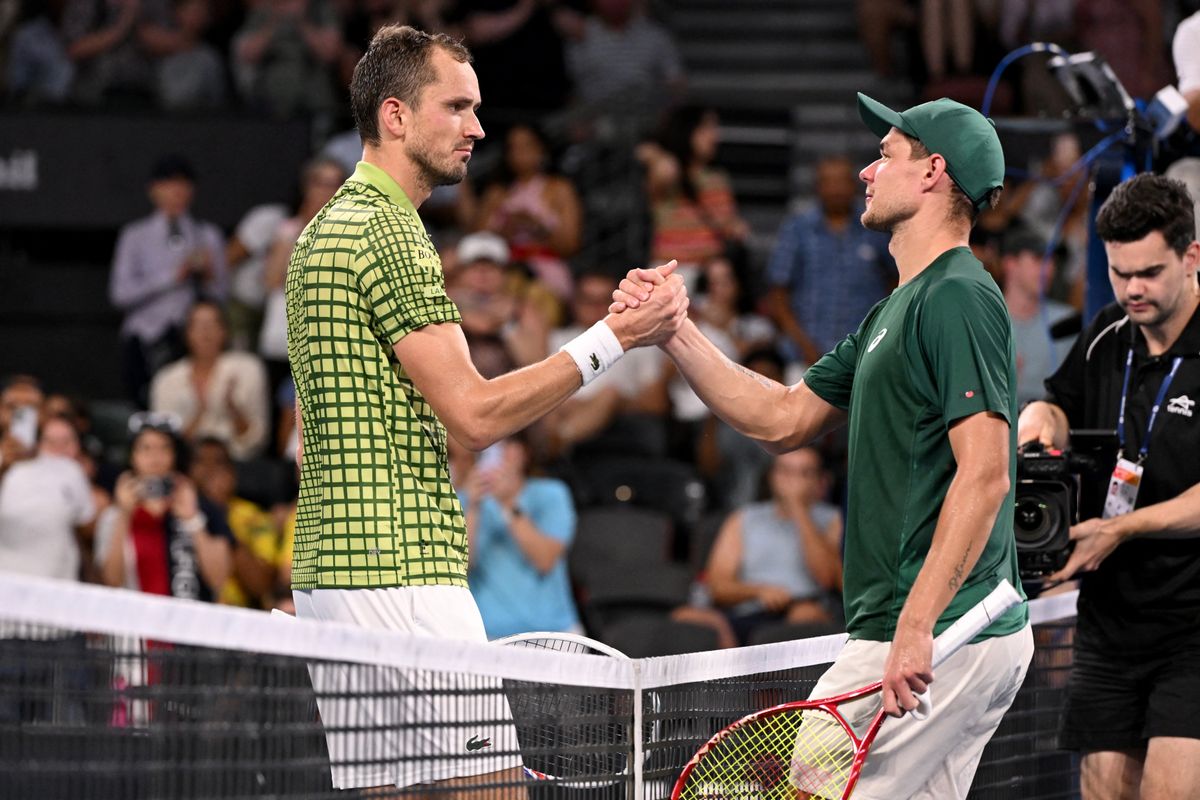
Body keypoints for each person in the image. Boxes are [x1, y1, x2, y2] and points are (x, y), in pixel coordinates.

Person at [285, 25, 687, 796]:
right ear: (396, 116)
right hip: (401, 569)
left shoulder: (323, 230)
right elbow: (474, 416)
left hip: (334, 573)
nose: (477, 128)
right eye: (458, 107)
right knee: (495, 790)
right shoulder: (390, 230)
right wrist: (613, 338)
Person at [613, 93, 1032, 799]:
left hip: (941, 631)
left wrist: (917, 627)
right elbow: (781, 419)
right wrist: (675, 330)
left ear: (932, 172)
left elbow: (985, 476)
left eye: (884, 155)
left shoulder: (958, 295)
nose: (867, 172)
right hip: (935, 633)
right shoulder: (895, 309)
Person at [1016, 173, 1200, 800]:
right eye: (1120, 273)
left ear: (1192, 256)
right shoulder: (1106, 334)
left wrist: (1120, 527)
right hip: (1108, 625)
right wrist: (1038, 428)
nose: (1133, 290)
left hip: (1192, 630)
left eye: (1149, 272)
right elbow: (1058, 406)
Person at [109, 155, 227, 407]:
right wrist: (173, 276)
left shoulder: (207, 235)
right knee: (143, 403)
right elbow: (120, 294)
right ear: (154, 190)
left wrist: (207, 276)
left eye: (183, 184)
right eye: (169, 184)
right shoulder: (135, 236)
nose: (176, 191)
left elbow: (222, 295)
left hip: (188, 341)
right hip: (144, 336)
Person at [705, 447, 843, 645]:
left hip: (802, 608)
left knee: (804, 616)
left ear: (820, 481)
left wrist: (798, 508)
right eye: (785, 471)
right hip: (749, 609)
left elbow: (828, 577)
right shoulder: (743, 518)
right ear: (772, 476)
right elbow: (717, 586)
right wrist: (759, 591)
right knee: (688, 618)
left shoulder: (832, 519)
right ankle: (731, 675)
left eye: (804, 473)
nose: (792, 480)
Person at [766, 154, 894, 366]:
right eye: (828, 182)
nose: (836, 190)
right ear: (818, 186)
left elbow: (896, 281)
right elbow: (778, 293)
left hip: (863, 356)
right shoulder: (798, 229)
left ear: (854, 185)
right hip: (803, 357)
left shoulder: (875, 227)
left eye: (841, 182)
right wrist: (803, 344)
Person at [93, 416, 233, 601]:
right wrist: (124, 515)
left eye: (164, 448)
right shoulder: (114, 515)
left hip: (189, 623)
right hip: (135, 624)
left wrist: (192, 520)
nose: (155, 457)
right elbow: (111, 581)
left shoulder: (204, 509)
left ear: (175, 456)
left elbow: (219, 579)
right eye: (146, 448)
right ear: (132, 457)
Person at [459, 433, 580, 639]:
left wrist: (507, 503)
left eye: (507, 445)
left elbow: (545, 559)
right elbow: (462, 567)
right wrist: (473, 507)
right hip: (488, 634)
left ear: (524, 452)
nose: (499, 453)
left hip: (554, 632)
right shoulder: (465, 499)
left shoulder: (552, 494)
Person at [150, 300, 270, 460]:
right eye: (198, 325)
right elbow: (163, 442)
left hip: (238, 462)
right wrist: (199, 413)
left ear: (225, 330)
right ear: (187, 333)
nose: (205, 331)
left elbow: (258, 437)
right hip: (186, 462)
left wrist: (232, 408)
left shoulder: (249, 368)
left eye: (212, 323)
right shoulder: (166, 378)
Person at [0, 414, 97, 583]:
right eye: (51, 442)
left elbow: (87, 525)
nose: (58, 450)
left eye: (66, 442)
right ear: (37, 445)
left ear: (78, 446)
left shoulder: (75, 473)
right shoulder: (10, 469)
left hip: (56, 585)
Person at [999, 227, 1077, 406]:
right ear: (1010, 264)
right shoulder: (983, 322)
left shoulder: (1067, 323)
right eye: (1038, 259)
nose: (1048, 269)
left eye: (1052, 261)